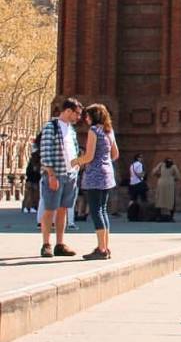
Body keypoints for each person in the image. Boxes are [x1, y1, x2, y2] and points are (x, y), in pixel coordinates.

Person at [38, 97, 83, 258]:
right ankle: (46, 244)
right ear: (68, 111)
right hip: (55, 174)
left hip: (70, 175)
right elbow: (46, 151)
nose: (79, 117)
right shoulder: (51, 127)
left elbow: (75, 149)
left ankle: (60, 243)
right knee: (50, 209)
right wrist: (51, 174)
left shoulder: (71, 129)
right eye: (77, 113)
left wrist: (77, 166)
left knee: (63, 209)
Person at [74, 104, 119, 260]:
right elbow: (115, 154)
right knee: (103, 210)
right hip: (107, 174)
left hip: (94, 175)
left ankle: (101, 249)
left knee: (95, 211)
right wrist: (104, 160)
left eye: (87, 115)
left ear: (93, 116)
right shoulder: (109, 131)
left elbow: (89, 156)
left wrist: (75, 161)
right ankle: (105, 247)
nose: (85, 118)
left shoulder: (94, 131)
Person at [23, 144, 40, 213]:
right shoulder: (34, 163)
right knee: (31, 195)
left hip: (32, 180)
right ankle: (29, 207)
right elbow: (29, 172)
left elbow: (28, 172)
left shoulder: (32, 162)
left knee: (30, 195)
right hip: (33, 181)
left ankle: (29, 207)